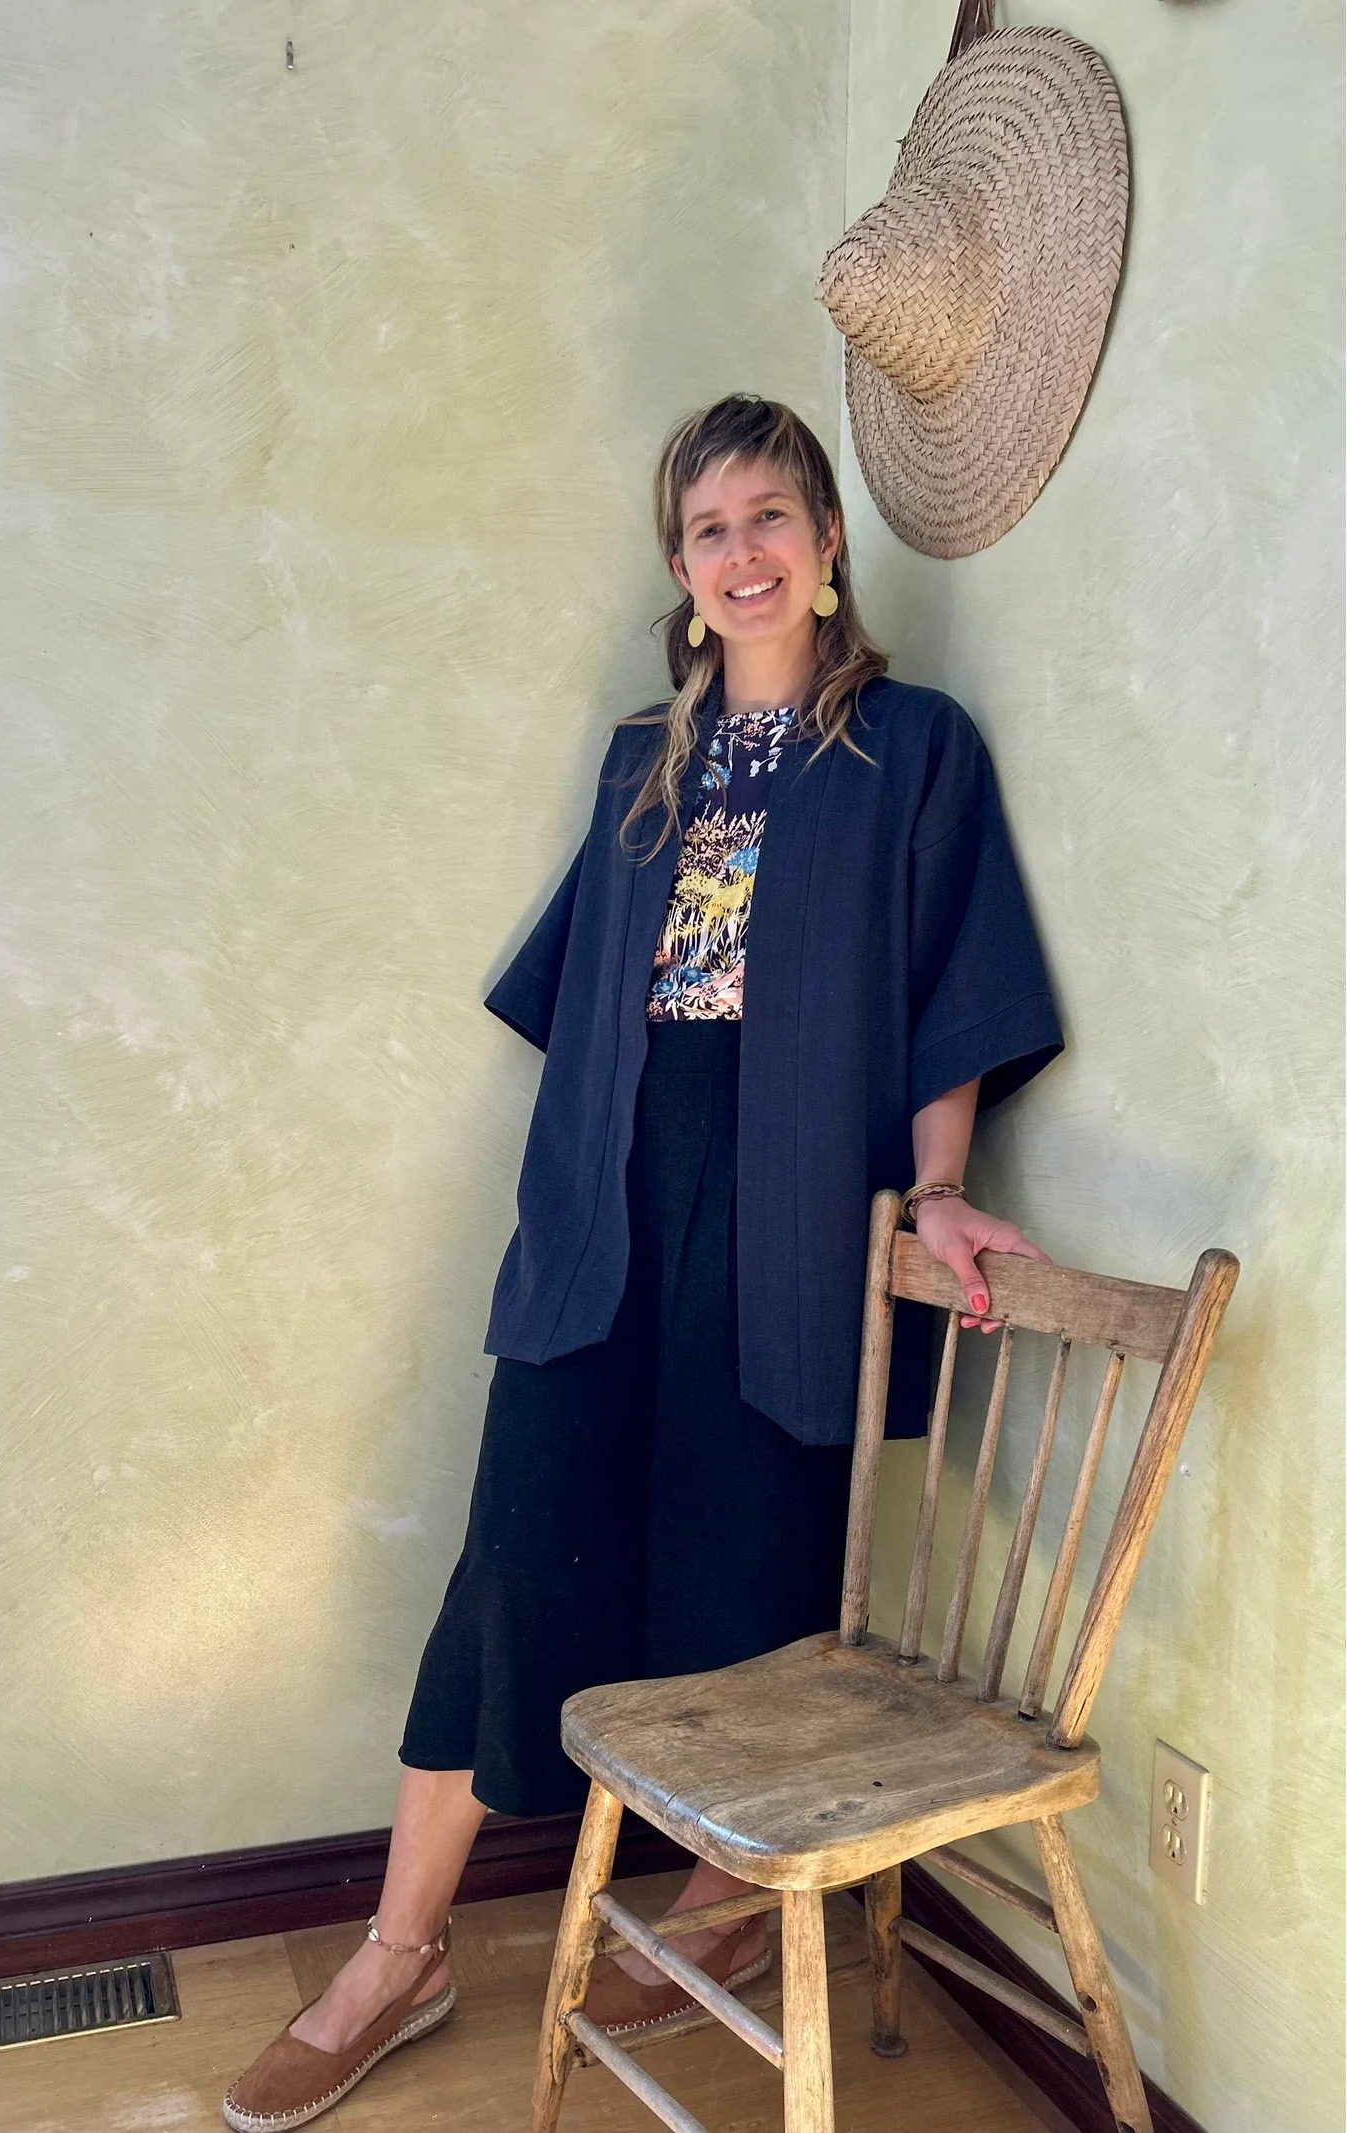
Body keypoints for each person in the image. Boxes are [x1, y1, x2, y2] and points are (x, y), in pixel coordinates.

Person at [222, 394, 1063, 2132]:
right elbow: (581, 1002)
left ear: (829, 548)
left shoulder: (913, 749)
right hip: (611, 1189)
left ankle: (723, 1899)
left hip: (798, 1194)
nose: (740, 552)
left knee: (744, 1568)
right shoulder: (643, 762)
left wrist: (939, 1190)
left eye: (771, 518)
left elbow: (945, 994)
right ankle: (399, 1952)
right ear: (679, 573)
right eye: (705, 529)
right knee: (516, 1557)